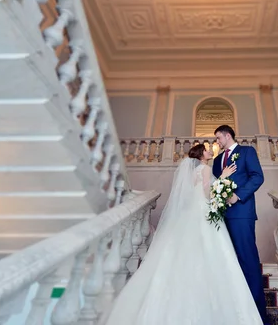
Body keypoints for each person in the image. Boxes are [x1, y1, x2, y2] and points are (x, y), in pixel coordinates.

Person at [105, 143, 262, 324]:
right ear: (201, 155)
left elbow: (195, 192)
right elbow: (206, 194)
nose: (210, 151)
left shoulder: (193, 171)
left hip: (193, 212)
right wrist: (223, 178)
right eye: (207, 149)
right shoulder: (205, 168)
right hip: (203, 211)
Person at [213, 125, 268, 323]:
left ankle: (256, 314)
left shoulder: (246, 152)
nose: (217, 142)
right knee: (227, 261)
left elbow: (257, 177)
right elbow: (214, 184)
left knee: (247, 260)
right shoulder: (217, 160)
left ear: (228, 136)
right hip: (221, 216)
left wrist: (238, 196)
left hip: (241, 214)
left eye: (219, 138)